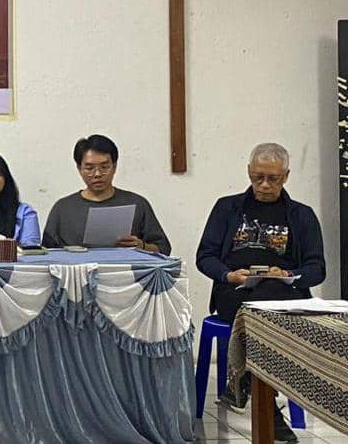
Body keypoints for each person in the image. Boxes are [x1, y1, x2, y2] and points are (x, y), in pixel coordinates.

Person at [196, 143, 320, 444]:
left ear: (286, 176)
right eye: (257, 177)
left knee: (269, 301)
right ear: (249, 172)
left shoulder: (301, 215)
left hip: (282, 293)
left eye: (273, 179)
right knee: (255, 310)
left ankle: (243, 381)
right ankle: (271, 414)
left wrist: (288, 275)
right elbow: (205, 256)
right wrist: (228, 275)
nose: (264, 185)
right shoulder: (227, 208)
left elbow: (317, 268)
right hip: (235, 289)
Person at [42, 134, 171, 254]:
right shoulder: (62, 208)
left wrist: (142, 246)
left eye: (104, 167)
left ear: (114, 167)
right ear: (79, 168)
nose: (97, 174)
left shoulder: (136, 203)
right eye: (89, 168)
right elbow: (46, 254)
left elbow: (163, 249)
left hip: (125, 270)